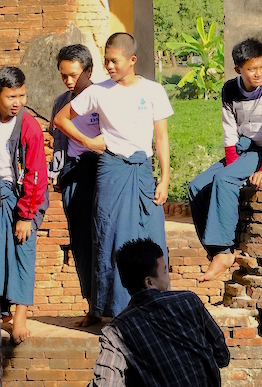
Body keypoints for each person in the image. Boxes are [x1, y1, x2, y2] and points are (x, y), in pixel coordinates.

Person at [54, 32, 173, 318]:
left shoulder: (153, 90)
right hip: (112, 171)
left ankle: (154, 307)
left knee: (152, 238)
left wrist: (165, 177)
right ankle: (114, 310)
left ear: (132, 60)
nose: (109, 66)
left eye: (114, 61)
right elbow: (60, 119)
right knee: (110, 239)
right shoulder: (99, 91)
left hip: (143, 171)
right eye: (106, 60)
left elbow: (162, 137)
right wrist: (89, 142)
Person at [188, 37, 262, 281]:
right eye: (252, 69)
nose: (259, 73)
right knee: (196, 186)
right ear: (238, 70)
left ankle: (224, 250)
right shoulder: (229, 89)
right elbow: (229, 130)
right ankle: (216, 251)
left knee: (224, 179)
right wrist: (233, 163)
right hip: (243, 149)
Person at [87, 238, 230, 387]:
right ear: (149, 282)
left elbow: (105, 384)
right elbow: (222, 356)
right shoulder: (189, 301)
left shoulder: (115, 332)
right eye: (164, 272)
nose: (168, 279)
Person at [49, 43, 101, 325]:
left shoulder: (105, 97)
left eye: (74, 75)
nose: (69, 82)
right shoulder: (61, 102)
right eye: (64, 76)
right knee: (81, 242)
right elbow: (57, 139)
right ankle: (92, 306)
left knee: (104, 238)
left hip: (103, 171)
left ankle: (113, 307)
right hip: (73, 172)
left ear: (89, 71)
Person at [0, 66, 48, 343]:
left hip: (22, 198)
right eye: (11, 97)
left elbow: (36, 174)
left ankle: (20, 317)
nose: (17, 102)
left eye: (22, 95)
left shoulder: (28, 126)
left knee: (22, 251)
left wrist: (26, 215)